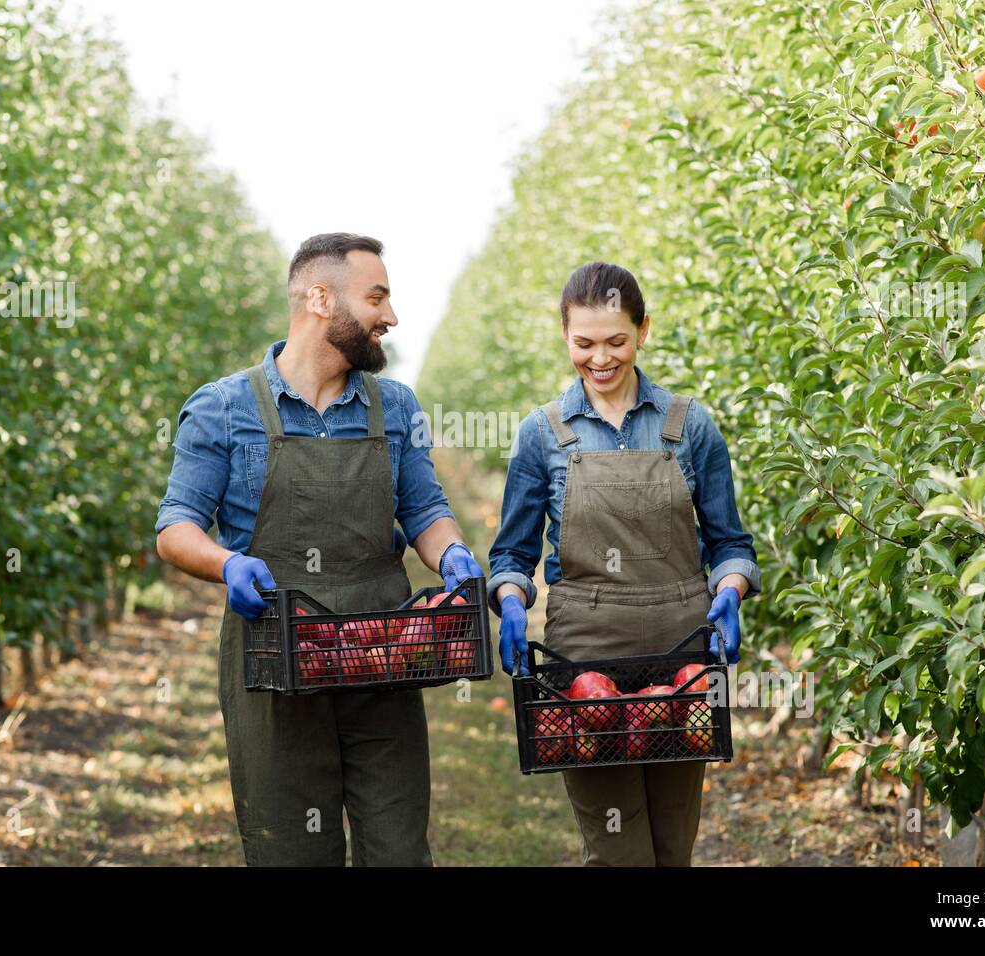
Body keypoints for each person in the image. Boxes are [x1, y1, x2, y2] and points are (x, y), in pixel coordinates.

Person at [154, 233, 484, 866]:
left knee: (398, 849)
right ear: (320, 298)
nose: (391, 317)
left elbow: (424, 510)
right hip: (275, 656)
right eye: (376, 298)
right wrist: (228, 563)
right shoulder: (224, 408)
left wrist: (450, 554)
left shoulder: (395, 406)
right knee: (291, 850)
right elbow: (176, 527)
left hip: (384, 653)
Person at [486, 260, 761, 866]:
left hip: (682, 654)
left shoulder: (689, 427)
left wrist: (731, 590)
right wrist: (510, 600)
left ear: (643, 330)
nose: (600, 358)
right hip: (585, 654)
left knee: (672, 846)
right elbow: (512, 552)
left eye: (616, 341)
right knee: (618, 851)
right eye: (584, 344)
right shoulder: (543, 433)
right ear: (564, 335)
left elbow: (729, 543)